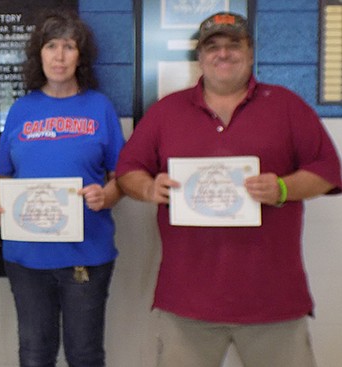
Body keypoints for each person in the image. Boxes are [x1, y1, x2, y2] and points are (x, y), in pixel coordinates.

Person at [115, 12, 342, 367]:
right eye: (213, 47)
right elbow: (128, 170)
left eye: (233, 45)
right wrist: (147, 188)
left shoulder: (287, 106)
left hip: (273, 300)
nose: (223, 54)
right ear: (200, 58)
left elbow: (328, 171)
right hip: (187, 301)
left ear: (251, 53)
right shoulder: (165, 112)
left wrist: (283, 187)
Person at [0, 10, 125, 367]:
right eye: (51, 46)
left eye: (69, 47)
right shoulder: (21, 110)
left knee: (85, 354)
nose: (59, 57)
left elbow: (121, 176)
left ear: (81, 56)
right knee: (34, 353)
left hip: (85, 255)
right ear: (39, 54)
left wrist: (106, 196)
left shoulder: (100, 107)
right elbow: (3, 176)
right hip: (28, 257)